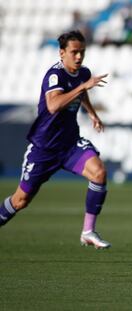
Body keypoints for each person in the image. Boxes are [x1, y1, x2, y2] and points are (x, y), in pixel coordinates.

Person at [0, 30, 111, 249]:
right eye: (74, 52)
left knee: (99, 173)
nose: (79, 57)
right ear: (62, 53)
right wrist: (82, 87)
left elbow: (82, 92)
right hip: (44, 148)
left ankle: (88, 231)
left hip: (70, 145)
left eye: (82, 52)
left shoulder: (82, 73)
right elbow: (52, 105)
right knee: (20, 201)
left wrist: (91, 113)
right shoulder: (55, 75)